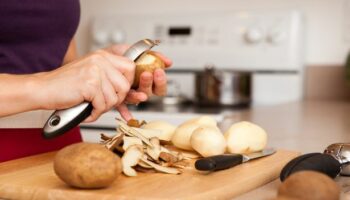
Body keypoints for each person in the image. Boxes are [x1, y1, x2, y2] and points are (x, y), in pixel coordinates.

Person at [0, 1, 172, 162]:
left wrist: (99, 74)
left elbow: (60, 57)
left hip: (63, 144)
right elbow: (52, 81)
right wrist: (44, 85)